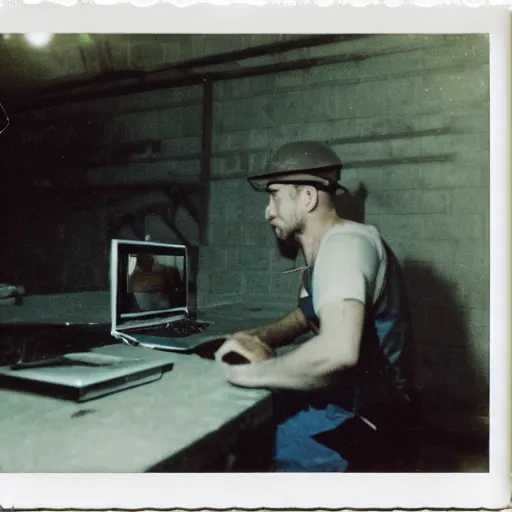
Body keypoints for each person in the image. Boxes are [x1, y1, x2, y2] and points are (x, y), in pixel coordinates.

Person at [214, 140, 422, 472]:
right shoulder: (322, 252)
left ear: (308, 197)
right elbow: (309, 313)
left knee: (238, 449)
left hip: (368, 421)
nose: (268, 210)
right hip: (344, 404)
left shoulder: (346, 246)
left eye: (275, 196)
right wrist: (263, 335)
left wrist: (249, 374)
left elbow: (339, 349)